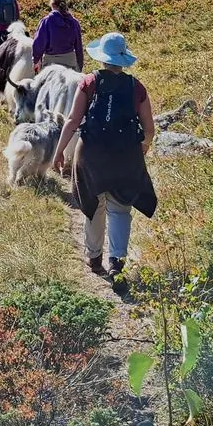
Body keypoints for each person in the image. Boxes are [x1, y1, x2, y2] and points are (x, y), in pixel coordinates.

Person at [54, 32, 157, 283]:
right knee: (120, 208)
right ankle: (116, 262)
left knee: (93, 205)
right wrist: (143, 147)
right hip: (125, 155)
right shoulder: (136, 87)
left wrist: (59, 152)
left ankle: (94, 257)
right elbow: (149, 128)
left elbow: (73, 120)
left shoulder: (89, 82)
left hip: (91, 154)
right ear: (123, 59)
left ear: (102, 58)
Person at [31, 0, 84, 71]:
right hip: (70, 62)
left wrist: (36, 60)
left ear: (53, 5)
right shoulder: (74, 22)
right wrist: (80, 65)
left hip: (50, 64)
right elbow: (79, 47)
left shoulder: (46, 21)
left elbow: (39, 43)